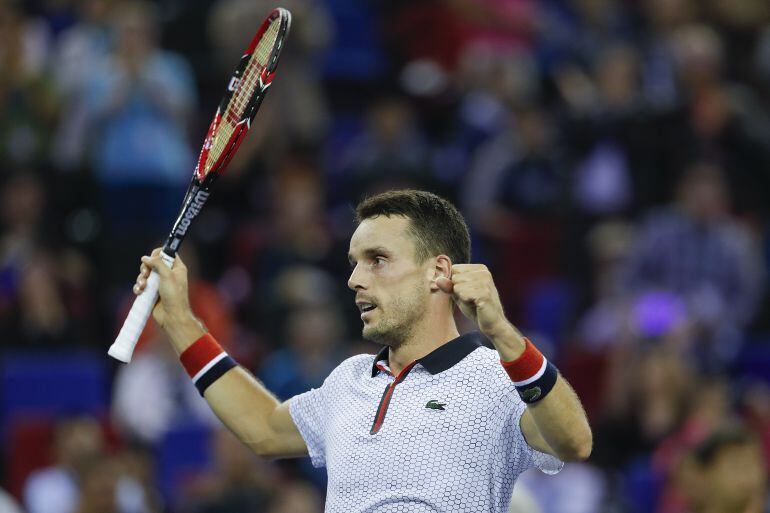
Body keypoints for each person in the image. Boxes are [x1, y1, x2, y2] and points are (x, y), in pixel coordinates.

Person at [135, 189, 592, 512]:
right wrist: (179, 322)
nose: (355, 279)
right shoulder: (348, 380)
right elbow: (263, 429)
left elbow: (573, 442)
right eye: (354, 263)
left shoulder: (497, 376)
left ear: (439, 272)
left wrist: (505, 336)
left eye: (377, 260)